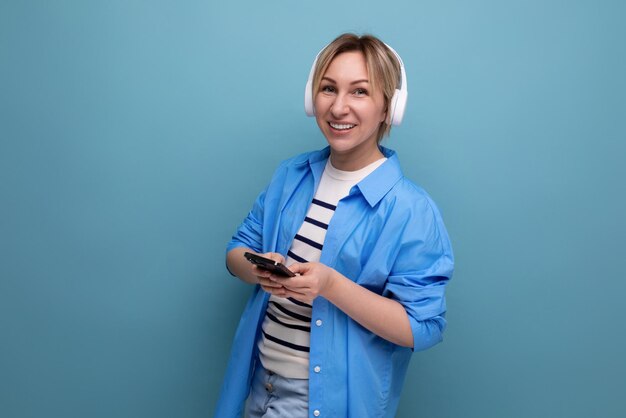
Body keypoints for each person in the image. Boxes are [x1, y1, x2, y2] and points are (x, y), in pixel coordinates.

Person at [214, 33, 454, 418]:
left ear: (389, 108)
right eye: (328, 88)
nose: (339, 107)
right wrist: (259, 268)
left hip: (319, 401)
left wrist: (330, 286)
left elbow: (422, 328)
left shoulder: (412, 210)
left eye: (359, 92)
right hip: (258, 383)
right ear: (313, 98)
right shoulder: (290, 175)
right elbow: (235, 252)